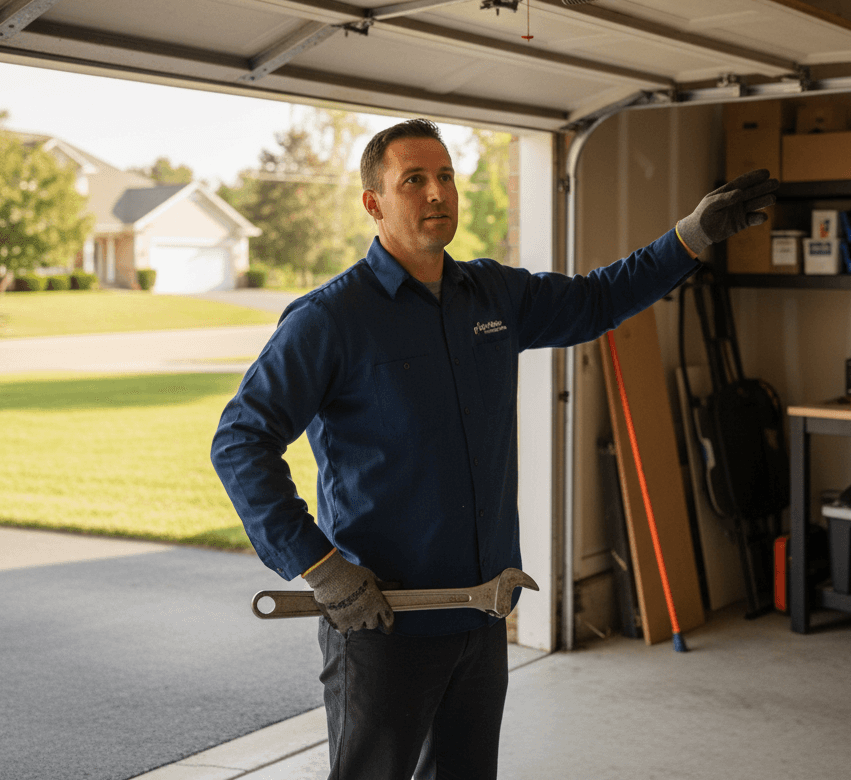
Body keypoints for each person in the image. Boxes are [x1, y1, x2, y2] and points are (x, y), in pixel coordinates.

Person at [211, 117, 777, 780]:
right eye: (413, 180)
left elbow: (598, 299)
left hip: (481, 619)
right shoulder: (330, 320)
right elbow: (241, 440)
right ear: (374, 203)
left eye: (445, 177)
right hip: (382, 628)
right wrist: (323, 568)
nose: (436, 194)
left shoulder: (493, 295)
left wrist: (690, 238)